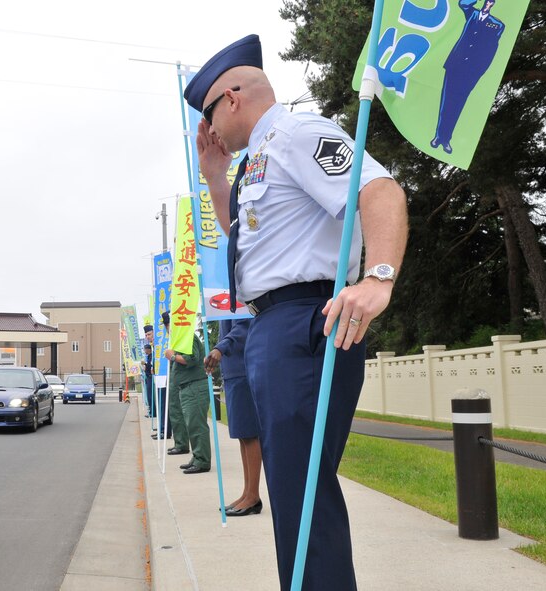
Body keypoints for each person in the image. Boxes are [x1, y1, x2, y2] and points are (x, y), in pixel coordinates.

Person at [185, 34, 408, 590]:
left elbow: (380, 192)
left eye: (208, 115)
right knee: (291, 493)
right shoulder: (257, 157)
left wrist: (379, 278)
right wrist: (215, 177)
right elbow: (254, 241)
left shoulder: (297, 132)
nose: (208, 130)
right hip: (270, 328)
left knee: (304, 493)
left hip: (303, 323)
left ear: (232, 98)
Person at [431, 0, 505, 153]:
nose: (488, 3)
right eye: (487, 1)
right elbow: (463, 4)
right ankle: (439, 136)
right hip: (455, 64)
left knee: (458, 104)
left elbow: (491, 49)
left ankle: (446, 139)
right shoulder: (473, 13)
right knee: (446, 101)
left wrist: (479, 71)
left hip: (471, 71)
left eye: (491, 2)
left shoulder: (496, 24)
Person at [204, 318, 262, 515]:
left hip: (243, 369)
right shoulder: (225, 296)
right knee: (242, 435)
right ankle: (247, 493)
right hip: (233, 371)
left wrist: (220, 348)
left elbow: (244, 326)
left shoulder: (238, 295)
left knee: (250, 433)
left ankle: (253, 495)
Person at [164, 313, 212, 474]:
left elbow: (191, 359)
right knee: (192, 425)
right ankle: (197, 457)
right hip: (188, 387)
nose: (169, 329)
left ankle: (202, 461)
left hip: (194, 386)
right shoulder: (182, 338)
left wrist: (173, 357)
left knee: (197, 425)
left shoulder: (187, 337)